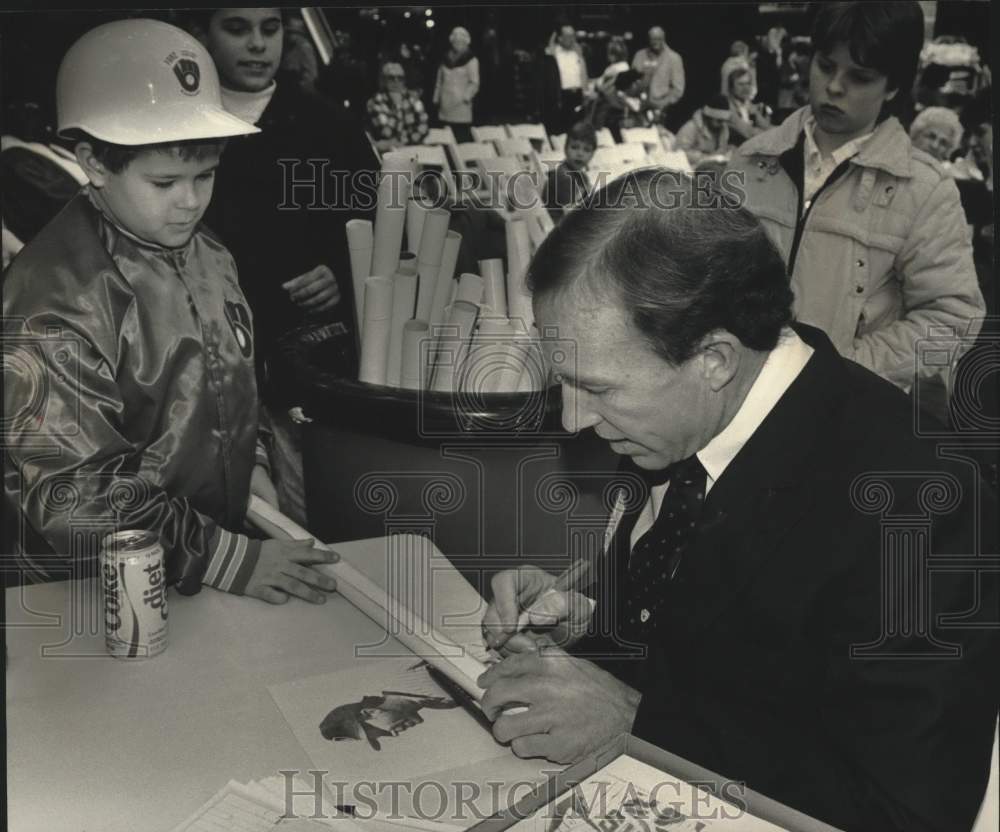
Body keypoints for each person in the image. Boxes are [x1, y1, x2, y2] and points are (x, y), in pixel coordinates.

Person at [478, 169, 999, 832]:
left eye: (598, 389)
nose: (575, 419)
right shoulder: (678, 418)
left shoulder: (920, 505)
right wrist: (591, 629)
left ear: (716, 359)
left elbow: (907, 811)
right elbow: (727, 641)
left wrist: (640, 726)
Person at [2, 19, 340, 604]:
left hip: (208, 565)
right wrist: (221, 554)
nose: (190, 202)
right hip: (91, 591)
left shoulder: (208, 253)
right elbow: (72, 491)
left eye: (205, 175)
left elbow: (230, 383)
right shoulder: (51, 299)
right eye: (164, 182)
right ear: (96, 163)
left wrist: (253, 466)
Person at [728, 1, 985, 410]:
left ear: (894, 86)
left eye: (860, 77)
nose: (834, 86)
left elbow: (954, 319)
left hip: (844, 414)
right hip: (735, 405)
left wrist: (845, 367)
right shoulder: (749, 162)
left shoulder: (924, 189)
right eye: (826, 66)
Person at [189, 8, 377, 526]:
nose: (256, 45)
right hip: (202, 367)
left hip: (304, 373)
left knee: (302, 521)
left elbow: (378, 223)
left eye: (269, 30)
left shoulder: (329, 126)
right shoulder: (180, 125)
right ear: (203, 32)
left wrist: (341, 271)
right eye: (236, 28)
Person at [320, 690, 457, 750]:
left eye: (382, 731)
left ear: (371, 712)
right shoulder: (437, 700)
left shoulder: (426, 683)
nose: (395, 734)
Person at [366, 61, 429, 153]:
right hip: (387, 153)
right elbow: (386, 132)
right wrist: (397, 106)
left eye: (400, 78)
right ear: (384, 81)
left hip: (412, 150)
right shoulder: (375, 102)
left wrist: (404, 142)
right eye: (391, 78)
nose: (396, 81)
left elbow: (423, 126)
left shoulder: (413, 99)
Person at [539, 24, 591, 137]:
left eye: (573, 35)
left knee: (577, 132)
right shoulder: (553, 53)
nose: (571, 39)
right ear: (560, 38)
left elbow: (583, 73)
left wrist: (586, 92)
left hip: (577, 95)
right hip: (561, 97)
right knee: (560, 131)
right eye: (568, 36)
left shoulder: (577, 52)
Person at [433, 26, 480, 145]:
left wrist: (466, 97)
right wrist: (436, 97)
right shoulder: (445, 59)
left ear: (466, 42)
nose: (458, 43)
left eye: (461, 41)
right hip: (445, 105)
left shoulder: (471, 60)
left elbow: (474, 82)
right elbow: (439, 81)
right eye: (455, 41)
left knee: (461, 139)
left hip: (461, 107)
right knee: (445, 139)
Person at [630, 26, 685, 125]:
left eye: (658, 39)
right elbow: (631, 83)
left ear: (664, 39)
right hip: (638, 110)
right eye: (652, 39)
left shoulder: (674, 58)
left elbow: (678, 89)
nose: (655, 42)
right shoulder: (639, 56)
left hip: (663, 111)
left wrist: (661, 104)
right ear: (648, 39)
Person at [543, 121, 595, 222]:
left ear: (592, 155)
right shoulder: (563, 177)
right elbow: (572, 216)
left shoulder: (581, 175)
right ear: (566, 149)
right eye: (574, 147)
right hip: (560, 229)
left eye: (587, 150)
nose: (580, 154)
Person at [674, 94, 733, 165]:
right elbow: (679, 152)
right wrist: (706, 157)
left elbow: (721, 151)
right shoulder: (690, 128)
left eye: (725, 120)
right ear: (709, 117)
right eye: (719, 121)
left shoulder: (723, 129)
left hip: (711, 168)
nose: (723, 124)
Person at [590, 37, 631, 135]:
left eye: (609, 53)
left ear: (614, 55)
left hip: (610, 106)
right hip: (615, 105)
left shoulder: (616, 69)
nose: (607, 55)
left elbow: (602, 87)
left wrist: (595, 83)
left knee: (604, 134)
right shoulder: (624, 66)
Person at [725, 66, 771, 144]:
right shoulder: (728, 106)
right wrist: (774, 135)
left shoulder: (747, 103)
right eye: (741, 84)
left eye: (748, 83)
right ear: (731, 88)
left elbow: (765, 126)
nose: (746, 88)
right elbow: (748, 132)